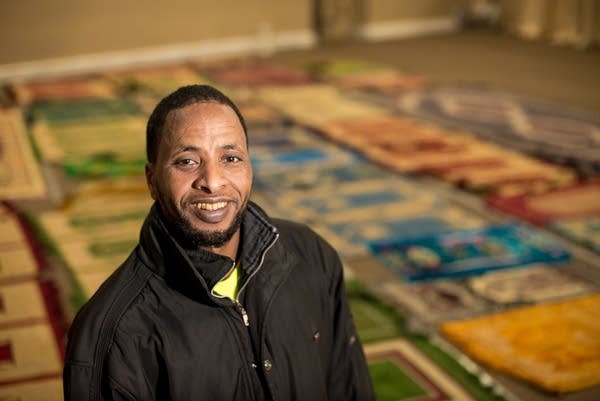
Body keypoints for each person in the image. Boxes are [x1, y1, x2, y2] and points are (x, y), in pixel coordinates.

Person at [63, 84, 375, 401]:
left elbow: (348, 385)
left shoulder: (311, 255)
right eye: (187, 161)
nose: (212, 182)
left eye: (230, 158)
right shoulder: (113, 333)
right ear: (152, 180)